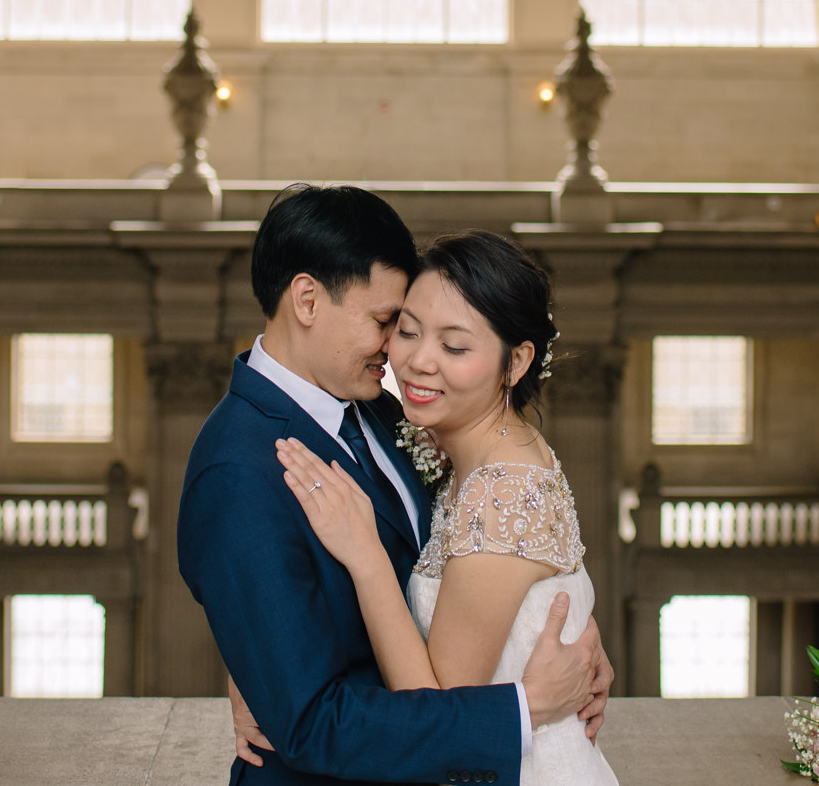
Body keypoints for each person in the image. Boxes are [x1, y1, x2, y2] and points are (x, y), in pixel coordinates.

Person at [178, 185, 612, 785]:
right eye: (390, 324)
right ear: (307, 299)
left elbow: (484, 563)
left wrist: (554, 629)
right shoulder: (237, 471)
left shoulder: (387, 413)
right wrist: (526, 707)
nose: (400, 354)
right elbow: (310, 724)